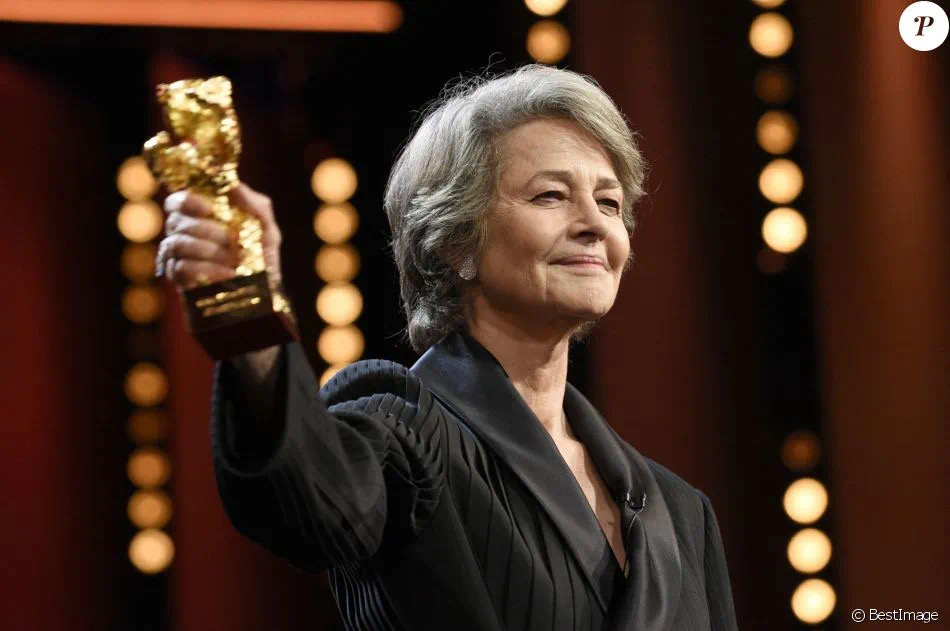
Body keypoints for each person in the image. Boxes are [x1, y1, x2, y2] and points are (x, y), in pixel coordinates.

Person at [157, 64, 738, 630]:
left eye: (609, 203)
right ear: (456, 242)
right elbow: (306, 500)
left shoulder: (681, 511)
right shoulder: (404, 427)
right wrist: (249, 317)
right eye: (550, 196)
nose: (595, 224)